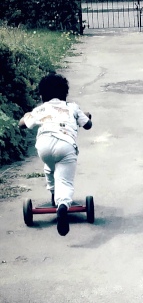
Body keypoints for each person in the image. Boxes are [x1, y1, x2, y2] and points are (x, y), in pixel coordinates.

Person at [19, 73, 92, 236]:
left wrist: (27, 116)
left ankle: (53, 194)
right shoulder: (73, 107)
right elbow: (88, 125)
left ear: (42, 95)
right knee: (65, 180)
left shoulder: (40, 109)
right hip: (65, 144)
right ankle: (63, 206)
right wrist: (86, 116)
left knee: (50, 167)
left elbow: (22, 125)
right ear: (65, 93)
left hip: (44, 146)